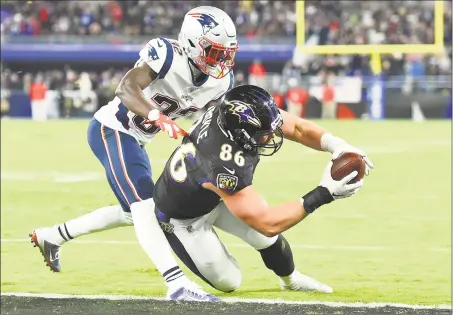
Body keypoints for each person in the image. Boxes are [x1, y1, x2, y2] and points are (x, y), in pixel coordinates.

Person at [30, 6, 238, 302]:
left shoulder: (220, 82)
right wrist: (158, 116)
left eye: (225, 53)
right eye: (215, 53)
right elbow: (125, 88)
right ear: (192, 43)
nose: (222, 61)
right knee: (144, 206)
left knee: (134, 212)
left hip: (138, 141)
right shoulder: (166, 54)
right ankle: (177, 284)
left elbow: (205, 123)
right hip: (112, 129)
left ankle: (53, 236)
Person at [153, 85, 369, 294]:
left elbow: (296, 127)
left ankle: (291, 280)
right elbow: (268, 223)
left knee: (265, 240)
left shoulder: (232, 114)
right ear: (239, 134)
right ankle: (156, 227)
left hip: (211, 193)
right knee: (229, 281)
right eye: (264, 134)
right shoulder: (221, 164)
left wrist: (338, 145)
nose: (272, 136)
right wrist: (323, 193)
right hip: (182, 217)